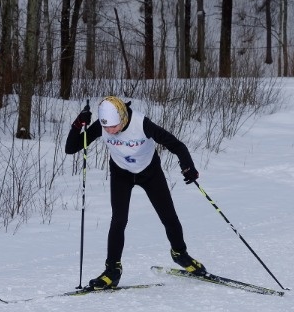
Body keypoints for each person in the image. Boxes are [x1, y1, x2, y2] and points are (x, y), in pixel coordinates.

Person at [65, 96, 207, 289]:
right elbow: (71, 148)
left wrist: (187, 165)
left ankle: (180, 254)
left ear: (123, 117)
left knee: (169, 217)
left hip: (150, 173)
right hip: (121, 174)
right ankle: (112, 270)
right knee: (118, 221)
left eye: (113, 126)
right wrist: (77, 124)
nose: (110, 131)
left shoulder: (141, 124)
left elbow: (176, 145)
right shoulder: (103, 126)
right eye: (106, 127)